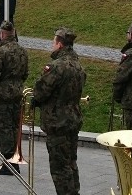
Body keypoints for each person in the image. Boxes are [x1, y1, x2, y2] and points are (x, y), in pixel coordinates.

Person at [33, 27, 86, 195]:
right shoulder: (78, 66)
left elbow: (41, 91)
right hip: (72, 119)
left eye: (54, 42)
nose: (52, 45)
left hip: (57, 122)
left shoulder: (56, 66)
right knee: (71, 162)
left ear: (60, 44)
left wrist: (35, 99)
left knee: (59, 167)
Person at [0, 20, 29, 175]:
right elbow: (26, 73)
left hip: (3, 94)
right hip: (18, 92)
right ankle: (15, 157)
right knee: (15, 127)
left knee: (3, 127)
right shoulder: (22, 51)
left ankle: (9, 162)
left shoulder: (1, 52)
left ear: (1, 34)